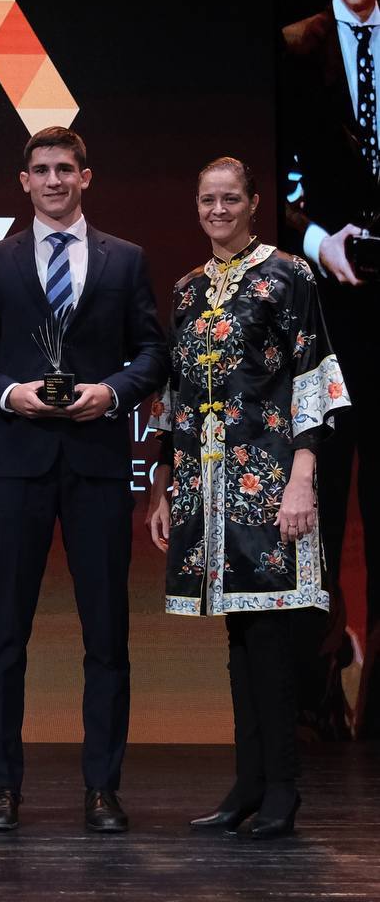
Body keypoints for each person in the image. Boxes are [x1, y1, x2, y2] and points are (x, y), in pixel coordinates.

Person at [0, 126, 167, 833]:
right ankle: (1, 789)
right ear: (23, 181)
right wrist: (10, 394)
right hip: (17, 465)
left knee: (106, 637)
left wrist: (115, 392)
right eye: (40, 170)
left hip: (98, 465)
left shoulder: (125, 260)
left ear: (86, 176)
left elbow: (152, 352)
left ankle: (103, 790)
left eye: (65, 169)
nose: (52, 180)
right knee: (4, 635)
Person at [146, 156, 350, 838]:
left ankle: (284, 788)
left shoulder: (288, 275)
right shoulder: (185, 289)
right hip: (205, 487)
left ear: (255, 202)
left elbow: (312, 377)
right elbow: (174, 396)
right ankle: (248, 783)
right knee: (237, 632)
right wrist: (162, 486)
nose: (218, 209)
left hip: (268, 481)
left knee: (270, 631)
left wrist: (302, 475)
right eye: (208, 198)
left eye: (231, 198)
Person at [279, 0, 380, 738]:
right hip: (329, 310)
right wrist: (321, 244)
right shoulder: (294, 48)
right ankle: (320, 694)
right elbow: (273, 188)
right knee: (324, 496)